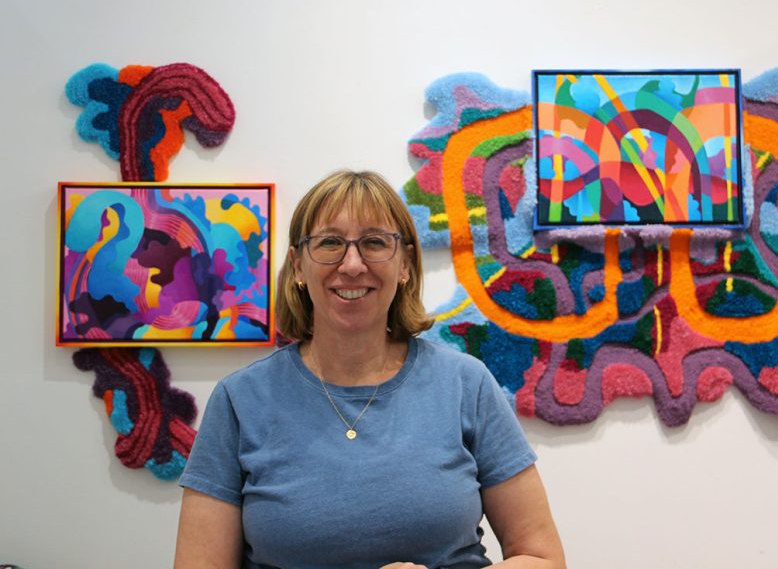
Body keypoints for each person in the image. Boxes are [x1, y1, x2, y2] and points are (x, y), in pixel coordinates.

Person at [174, 170, 566, 568]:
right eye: (329, 243)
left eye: (375, 242)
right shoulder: (240, 400)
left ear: (406, 265)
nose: (352, 265)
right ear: (297, 266)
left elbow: (543, 558)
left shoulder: (467, 384)